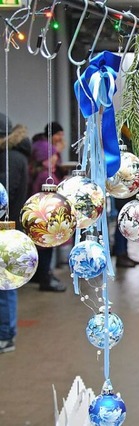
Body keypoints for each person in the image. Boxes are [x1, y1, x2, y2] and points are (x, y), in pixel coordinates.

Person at [0, 113, 32, 353]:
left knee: (4, 284)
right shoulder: (14, 156)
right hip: (10, 227)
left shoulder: (9, 159)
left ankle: (5, 335)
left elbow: (5, 194)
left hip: (6, 229)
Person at [28, 138, 66, 292]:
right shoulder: (45, 177)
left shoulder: (42, 174)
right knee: (45, 250)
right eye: (52, 156)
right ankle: (45, 278)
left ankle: (45, 275)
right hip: (46, 220)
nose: (56, 158)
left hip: (41, 219)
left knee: (44, 250)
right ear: (43, 160)